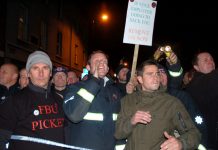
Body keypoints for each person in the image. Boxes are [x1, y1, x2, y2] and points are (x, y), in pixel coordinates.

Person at [115, 59, 201, 150]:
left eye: (157, 74)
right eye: (150, 74)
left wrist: (181, 143)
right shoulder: (127, 100)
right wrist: (131, 121)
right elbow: (118, 134)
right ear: (140, 79)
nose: (156, 77)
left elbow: (194, 133)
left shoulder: (171, 103)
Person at [0, 50, 65, 150]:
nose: (41, 73)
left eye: (45, 68)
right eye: (35, 68)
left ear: (50, 73)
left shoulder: (59, 100)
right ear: (29, 73)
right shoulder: (15, 101)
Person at [63, 50, 124, 150]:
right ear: (88, 67)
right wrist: (94, 81)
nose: (101, 64)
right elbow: (74, 115)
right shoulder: (75, 88)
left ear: (107, 68)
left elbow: (119, 125)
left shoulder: (115, 92)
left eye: (104, 62)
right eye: (97, 61)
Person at [186, 51, 218, 149]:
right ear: (196, 67)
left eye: (211, 59)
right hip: (209, 140)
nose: (210, 62)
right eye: (205, 60)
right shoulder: (196, 83)